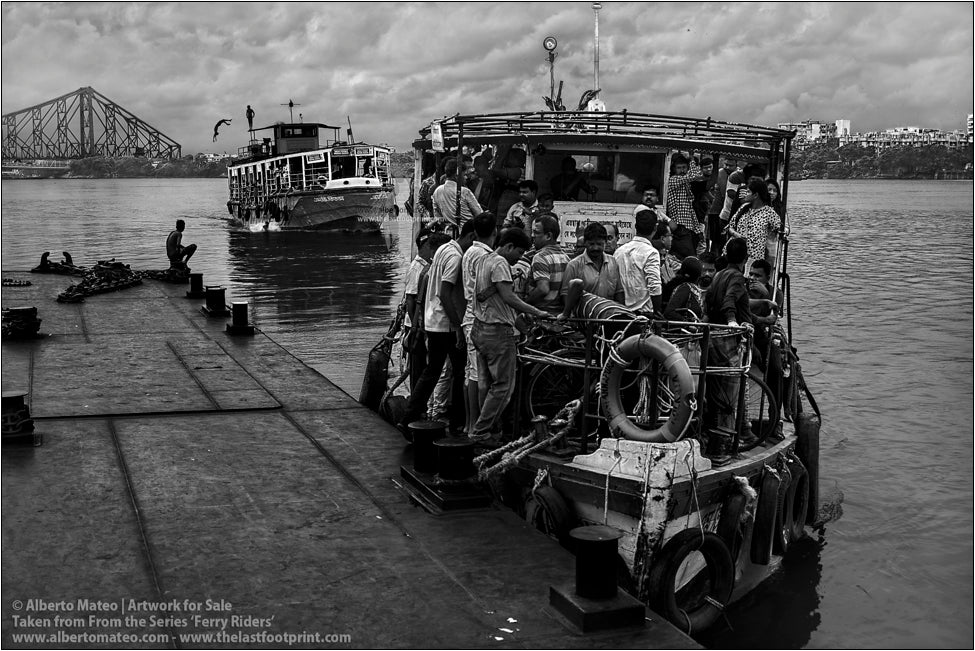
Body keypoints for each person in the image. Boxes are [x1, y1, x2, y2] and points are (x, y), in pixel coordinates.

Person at [469, 228, 551, 443]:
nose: (519, 259)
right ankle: (481, 432)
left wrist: (521, 319)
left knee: (485, 384)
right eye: (519, 253)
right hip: (496, 333)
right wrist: (536, 311)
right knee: (504, 387)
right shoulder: (500, 264)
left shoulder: (483, 259)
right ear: (508, 247)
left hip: (479, 328)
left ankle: (488, 430)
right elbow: (509, 297)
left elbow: (489, 295)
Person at [399, 220, 478, 436]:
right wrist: (458, 325)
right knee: (461, 371)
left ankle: (409, 417)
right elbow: (445, 294)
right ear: (471, 236)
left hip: (434, 321)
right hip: (446, 324)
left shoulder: (444, 248)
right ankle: (457, 423)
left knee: (432, 372)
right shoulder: (455, 256)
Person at [702, 237, 755, 439]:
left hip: (713, 338)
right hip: (728, 340)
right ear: (746, 258)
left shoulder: (719, 275)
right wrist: (732, 322)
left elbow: (711, 301)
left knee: (718, 386)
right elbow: (729, 302)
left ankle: (733, 430)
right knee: (734, 386)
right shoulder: (737, 277)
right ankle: (731, 434)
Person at [460, 213, 498, 435]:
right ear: (494, 232)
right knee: (478, 375)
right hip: (478, 317)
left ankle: (469, 423)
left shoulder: (469, 252)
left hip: (469, 315)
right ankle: (477, 426)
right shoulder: (484, 255)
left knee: (470, 373)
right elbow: (483, 292)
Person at [560, 222, 624, 318]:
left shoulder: (613, 262)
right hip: (583, 319)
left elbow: (618, 292)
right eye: (591, 244)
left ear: (605, 242)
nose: (595, 248)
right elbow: (566, 295)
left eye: (599, 244)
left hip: (608, 318)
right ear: (585, 242)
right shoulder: (574, 265)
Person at [613, 210, 662, 315]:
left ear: (635, 227)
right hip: (644, 314)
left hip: (620, 313)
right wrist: (658, 314)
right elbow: (654, 286)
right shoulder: (651, 253)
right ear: (655, 228)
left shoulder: (619, 252)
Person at [726, 178, 780, 267]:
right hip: (734, 254)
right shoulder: (743, 208)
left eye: (748, 192)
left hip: (753, 259)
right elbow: (730, 227)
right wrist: (737, 235)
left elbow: (779, 228)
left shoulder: (769, 213)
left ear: (755, 195)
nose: (745, 194)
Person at [526, 214, 570, 315]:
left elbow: (543, 289)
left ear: (548, 236)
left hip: (542, 314)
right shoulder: (565, 257)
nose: (532, 236)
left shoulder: (540, 257)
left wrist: (525, 304)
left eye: (536, 233)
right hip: (559, 315)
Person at [665, 153, 705, 258]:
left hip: (687, 228)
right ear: (674, 169)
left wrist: (697, 230)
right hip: (679, 227)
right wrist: (691, 157)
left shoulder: (685, 184)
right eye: (679, 168)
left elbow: (690, 209)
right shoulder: (673, 180)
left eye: (684, 167)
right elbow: (696, 175)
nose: (682, 170)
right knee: (690, 258)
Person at [432, 157, 482, 230]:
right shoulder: (465, 192)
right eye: (464, 175)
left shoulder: (437, 191)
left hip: (448, 231)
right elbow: (479, 214)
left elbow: (437, 217)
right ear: (456, 176)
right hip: (467, 232)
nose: (466, 178)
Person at [707, 157, 736, 254]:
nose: (727, 167)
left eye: (730, 165)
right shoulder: (721, 173)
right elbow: (724, 193)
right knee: (716, 240)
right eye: (726, 164)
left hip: (726, 212)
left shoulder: (736, 175)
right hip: (716, 211)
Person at [663, 256, 704, 321]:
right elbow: (669, 312)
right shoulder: (685, 288)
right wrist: (687, 322)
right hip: (681, 330)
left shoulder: (690, 288)